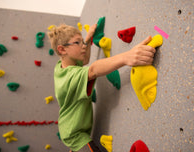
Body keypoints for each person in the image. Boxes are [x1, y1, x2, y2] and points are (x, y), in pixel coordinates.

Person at [47, 23, 156, 152]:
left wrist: (87, 38)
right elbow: (93, 70)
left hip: (69, 128)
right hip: (75, 135)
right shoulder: (69, 77)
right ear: (62, 49)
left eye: (82, 42)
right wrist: (127, 57)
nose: (83, 46)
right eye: (77, 42)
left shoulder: (63, 65)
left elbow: (85, 59)